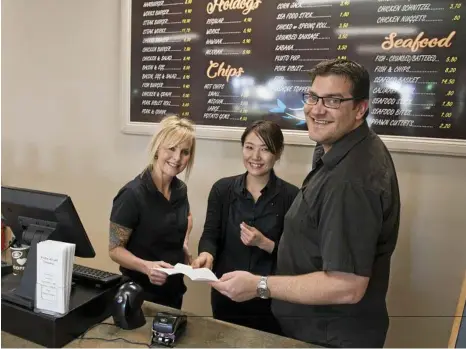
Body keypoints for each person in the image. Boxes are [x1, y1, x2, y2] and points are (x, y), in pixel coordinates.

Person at [210, 59, 401, 348]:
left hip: (330, 336)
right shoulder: (338, 151)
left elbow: (346, 286)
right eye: (312, 97)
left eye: (333, 100)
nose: (316, 109)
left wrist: (260, 285)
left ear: (360, 109)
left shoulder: (350, 181)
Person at [192, 120, 299, 335]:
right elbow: (211, 235)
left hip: (269, 298)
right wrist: (206, 254)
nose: (255, 157)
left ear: (278, 153)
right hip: (226, 292)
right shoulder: (222, 190)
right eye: (249, 147)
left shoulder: (293, 197)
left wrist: (265, 243)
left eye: (265, 149)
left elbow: (295, 256)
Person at [108, 115, 196, 309]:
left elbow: (185, 219)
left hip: (173, 291)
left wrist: (184, 246)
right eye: (171, 148)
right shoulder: (132, 194)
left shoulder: (180, 189)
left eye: (185, 152)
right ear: (157, 148)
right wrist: (146, 266)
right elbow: (114, 250)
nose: (177, 158)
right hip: (139, 294)